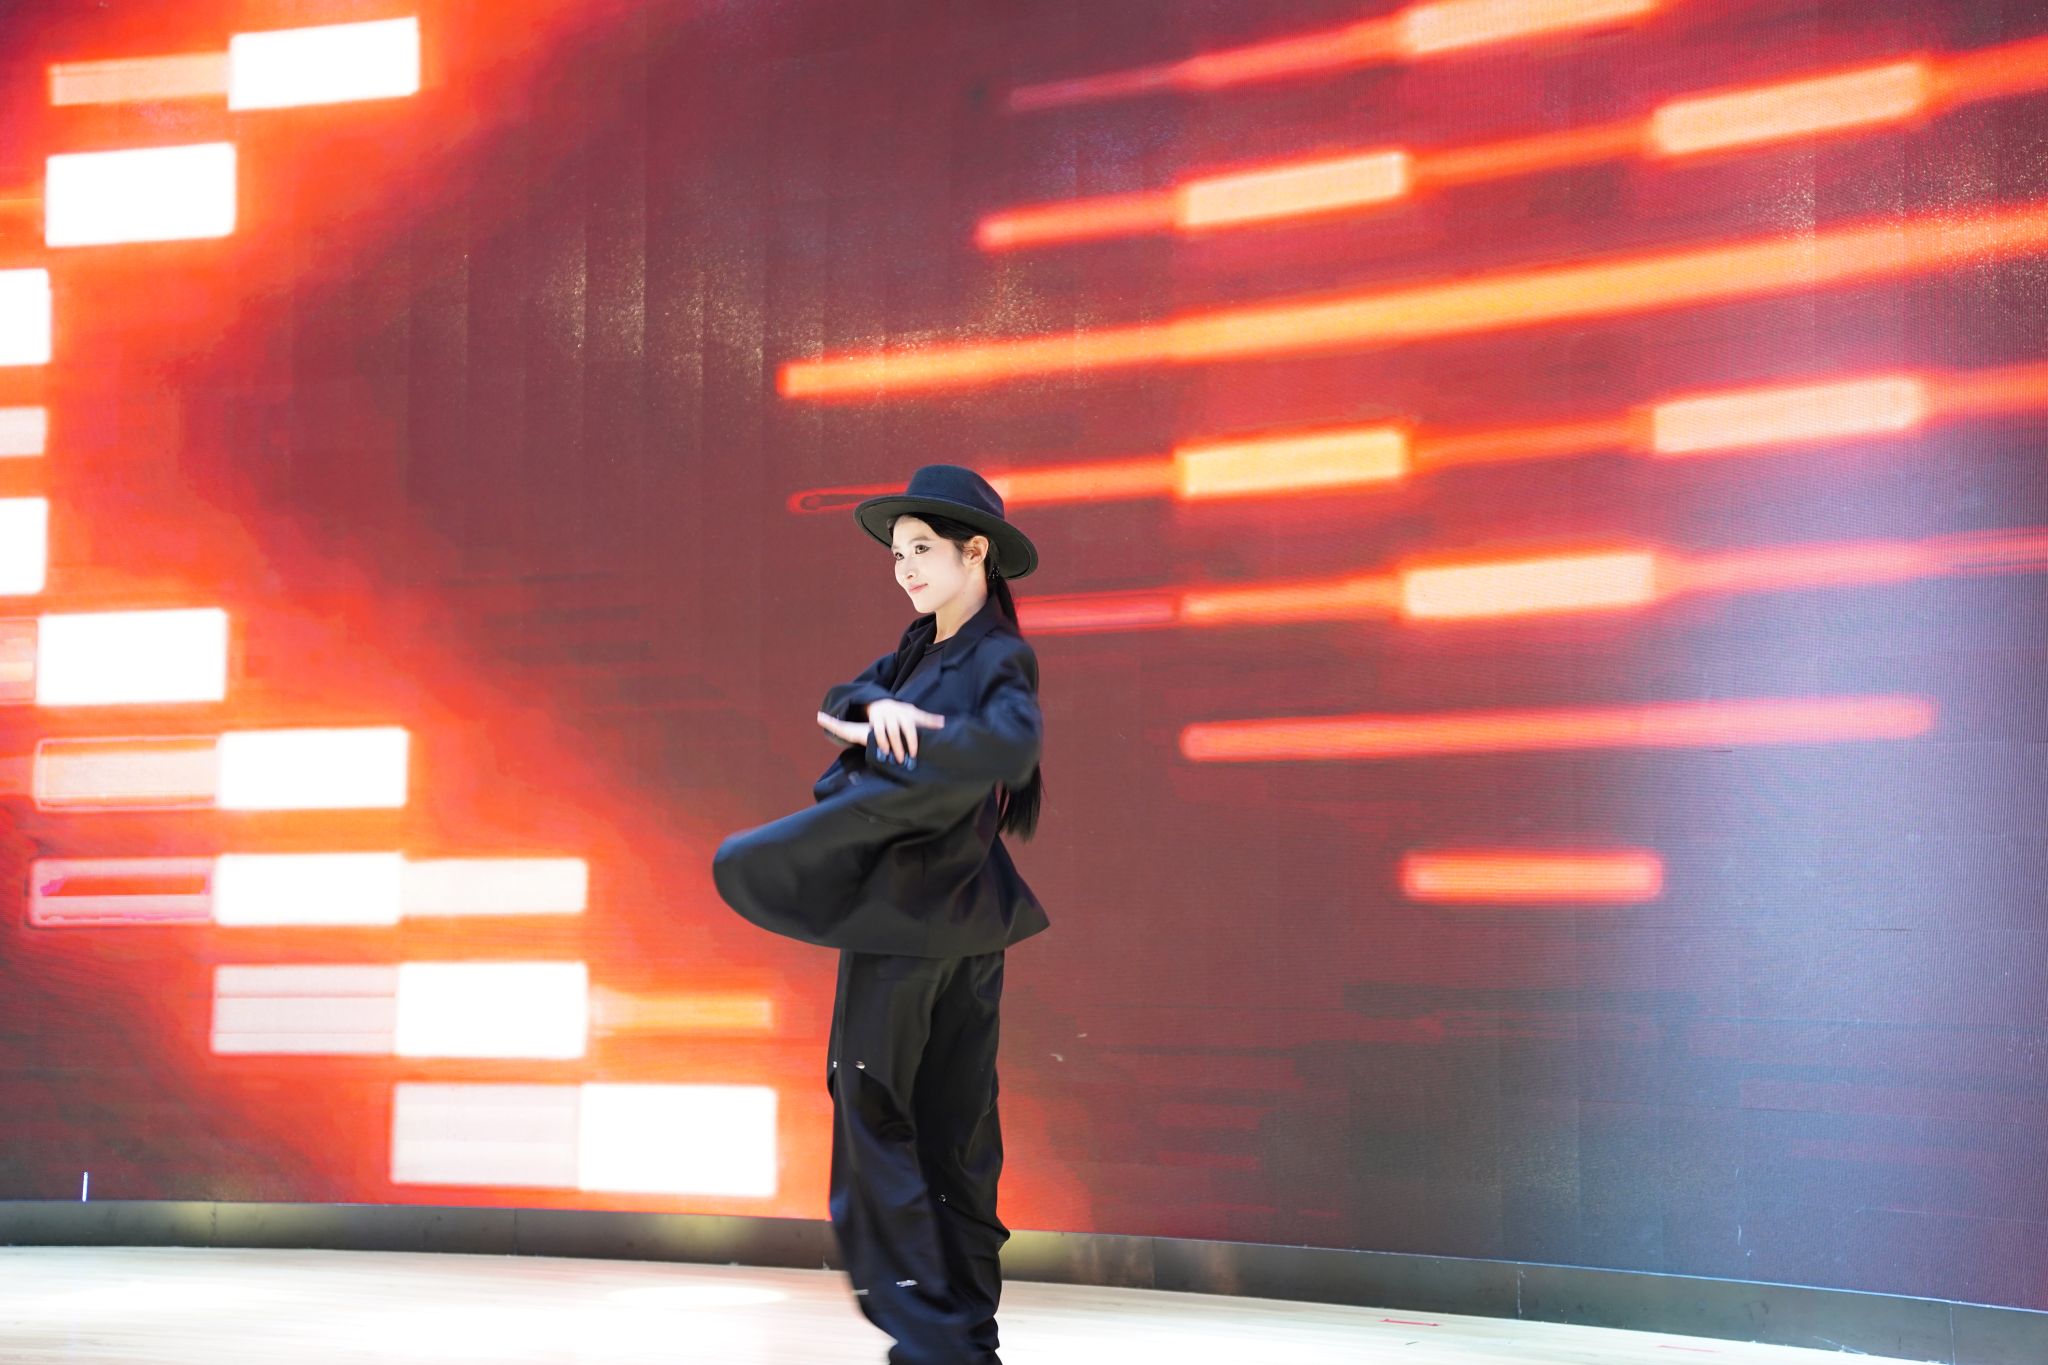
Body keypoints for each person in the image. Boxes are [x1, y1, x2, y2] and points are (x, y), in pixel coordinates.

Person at [712, 464, 1049, 1365]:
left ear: (976, 553)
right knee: (949, 1127)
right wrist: (877, 708)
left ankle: (939, 1338)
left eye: (923, 550)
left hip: (916, 921)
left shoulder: (997, 656)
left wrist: (921, 734)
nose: (905, 568)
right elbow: (839, 702)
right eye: (898, 554)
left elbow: (1013, 744)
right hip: (958, 921)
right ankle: (962, 1341)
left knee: (884, 1111)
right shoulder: (915, 650)